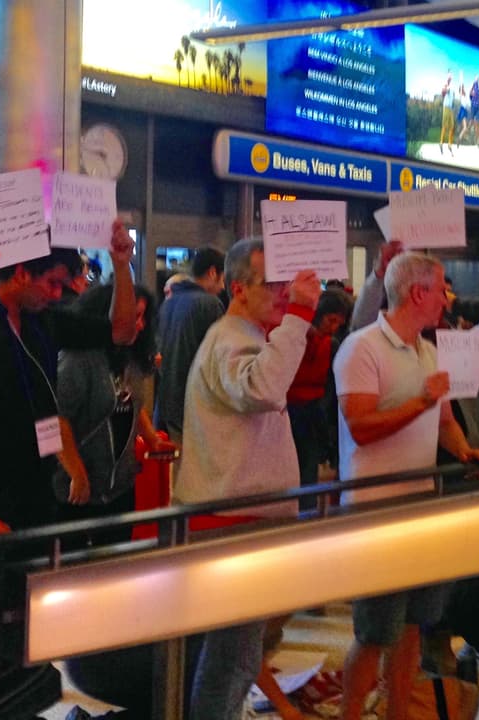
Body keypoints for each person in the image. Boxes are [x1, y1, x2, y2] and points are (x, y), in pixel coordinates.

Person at [336, 252, 479, 720]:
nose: (448, 297)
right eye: (442, 287)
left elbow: (443, 420)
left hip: (419, 504)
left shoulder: (427, 349)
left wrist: (466, 450)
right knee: (374, 632)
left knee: (413, 626)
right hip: (375, 508)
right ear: (417, 293)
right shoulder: (361, 348)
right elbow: (361, 425)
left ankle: (399, 714)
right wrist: (420, 399)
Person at [175, 239, 321, 720]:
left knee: (236, 658)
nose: (284, 292)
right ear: (237, 288)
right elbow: (262, 387)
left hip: (241, 516)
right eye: (272, 284)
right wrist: (299, 315)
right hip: (231, 520)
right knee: (230, 661)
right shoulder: (231, 339)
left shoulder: (247, 335)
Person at [0, 223, 138, 537]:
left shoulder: (44, 320)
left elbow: (123, 332)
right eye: (51, 282)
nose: (56, 294)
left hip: (38, 493)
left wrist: (121, 266)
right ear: (22, 272)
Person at [56, 283, 173, 546]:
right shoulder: (78, 358)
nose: (139, 325)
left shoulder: (129, 355)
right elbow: (54, 418)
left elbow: (130, 403)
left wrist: (152, 438)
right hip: (77, 490)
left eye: (143, 317)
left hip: (119, 487)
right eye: (134, 316)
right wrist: (75, 471)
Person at [155, 246, 226, 446]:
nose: (222, 287)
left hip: (166, 403)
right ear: (213, 273)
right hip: (194, 407)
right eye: (222, 279)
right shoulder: (210, 304)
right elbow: (217, 360)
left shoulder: (169, 303)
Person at [288, 289, 351, 509]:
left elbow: (331, 389)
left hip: (313, 414)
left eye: (338, 323)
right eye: (331, 320)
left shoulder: (330, 344)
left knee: (308, 473)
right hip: (288, 413)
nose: (333, 327)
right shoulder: (293, 338)